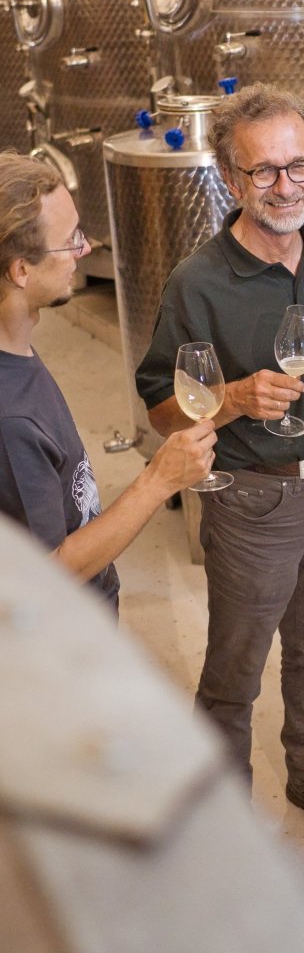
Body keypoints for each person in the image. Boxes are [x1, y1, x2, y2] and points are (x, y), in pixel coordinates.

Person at [135, 83, 304, 848]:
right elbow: (159, 410)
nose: (286, 186)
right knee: (235, 671)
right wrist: (233, 399)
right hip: (253, 501)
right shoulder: (198, 283)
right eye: (264, 171)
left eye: (297, 165)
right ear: (232, 181)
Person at [0, 151, 215, 614]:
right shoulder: (8, 418)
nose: (85, 247)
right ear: (20, 270)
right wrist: (159, 480)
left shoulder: (16, 347)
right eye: (70, 240)